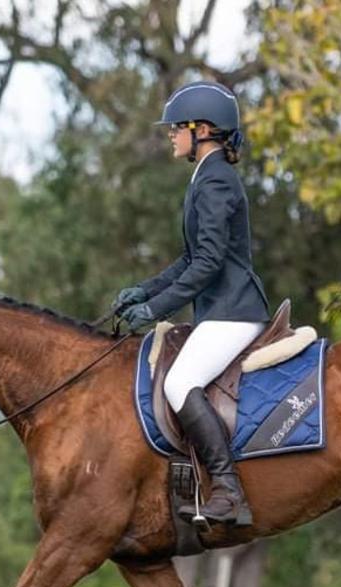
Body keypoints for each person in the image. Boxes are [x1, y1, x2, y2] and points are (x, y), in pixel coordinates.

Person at [112, 81, 270, 527]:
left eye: (176, 128)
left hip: (233, 311)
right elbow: (189, 258)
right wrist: (144, 290)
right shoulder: (206, 176)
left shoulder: (217, 179)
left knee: (179, 384)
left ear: (202, 129)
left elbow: (209, 262)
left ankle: (228, 491)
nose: (170, 135)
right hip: (221, 309)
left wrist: (158, 309)